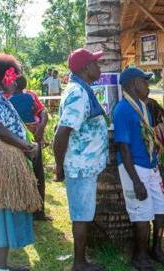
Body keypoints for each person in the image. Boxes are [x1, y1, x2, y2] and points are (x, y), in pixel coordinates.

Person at [0, 53, 42, 271]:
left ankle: (1, 264)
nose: (15, 82)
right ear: (2, 77)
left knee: (6, 209)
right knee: (1, 210)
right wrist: (24, 145)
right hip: (0, 158)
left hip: (5, 157)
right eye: (12, 78)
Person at [113, 67, 164, 270]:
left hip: (149, 165)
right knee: (141, 213)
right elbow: (123, 147)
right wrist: (136, 181)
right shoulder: (122, 109)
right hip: (134, 168)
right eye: (144, 81)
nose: (147, 85)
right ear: (132, 84)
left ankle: (156, 249)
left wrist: (157, 167)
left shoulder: (143, 106)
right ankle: (139, 256)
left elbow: (150, 139)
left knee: (159, 208)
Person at [53, 48, 108, 271]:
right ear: (85, 68)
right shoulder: (78, 93)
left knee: (83, 214)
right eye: (96, 63)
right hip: (80, 167)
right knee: (81, 216)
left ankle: (81, 260)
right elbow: (61, 132)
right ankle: (79, 263)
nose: (99, 66)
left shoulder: (82, 89)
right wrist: (59, 166)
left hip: (85, 165)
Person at [7, 75, 51, 221]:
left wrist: (40, 129)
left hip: (23, 139)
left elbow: (43, 112)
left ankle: (37, 210)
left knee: (36, 174)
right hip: (23, 139)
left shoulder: (11, 98)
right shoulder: (20, 97)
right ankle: (25, 209)